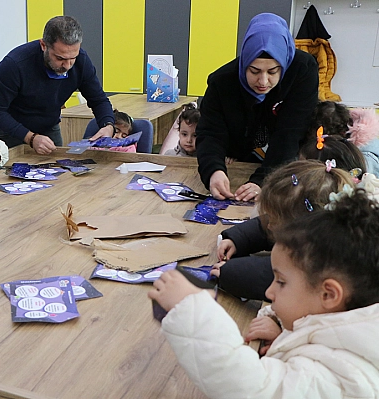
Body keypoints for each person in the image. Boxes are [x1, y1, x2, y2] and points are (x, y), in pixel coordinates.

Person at [149, 188, 379, 398]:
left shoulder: (345, 373)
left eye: (281, 282)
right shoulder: (351, 329)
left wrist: (193, 312)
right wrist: (284, 332)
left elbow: (251, 388)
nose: (269, 291)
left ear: (329, 295)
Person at [195, 13, 319, 201]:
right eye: (254, 71)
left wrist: (263, 180)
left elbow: (289, 133)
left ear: (284, 64)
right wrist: (213, 170)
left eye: (272, 71)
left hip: (283, 162)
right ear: (244, 61)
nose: (263, 81)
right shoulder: (222, 81)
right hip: (238, 159)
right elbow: (211, 133)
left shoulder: (303, 70)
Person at [213, 160, 354, 301]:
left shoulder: (326, 258)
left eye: (274, 221)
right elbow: (264, 226)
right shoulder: (312, 224)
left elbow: (277, 276)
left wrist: (229, 272)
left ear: (301, 229)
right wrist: (237, 238)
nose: (269, 226)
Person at [0, 15, 115, 154]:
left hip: (49, 126)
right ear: (43, 45)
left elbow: (98, 100)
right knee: (10, 173)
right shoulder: (15, 65)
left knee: (60, 171)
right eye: (60, 58)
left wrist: (108, 126)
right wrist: (31, 137)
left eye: (73, 58)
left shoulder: (82, 61)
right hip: (12, 130)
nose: (67, 65)